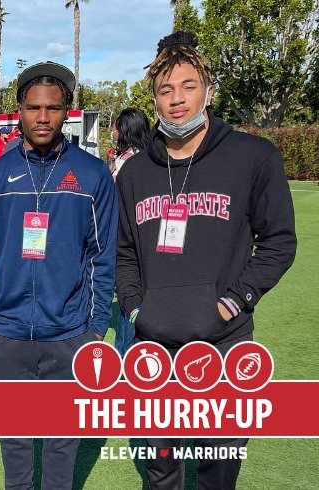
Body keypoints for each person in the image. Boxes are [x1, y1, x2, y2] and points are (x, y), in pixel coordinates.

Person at [116, 31, 297, 489]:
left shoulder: (252, 156)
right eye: (166, 90)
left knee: (219, 464)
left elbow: (278, 242)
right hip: (153, 345)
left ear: (208, 90)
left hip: (225, 340)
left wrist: (230, 302)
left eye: (188, 86)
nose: (177, 100)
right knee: (161, 467)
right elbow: (122, 252)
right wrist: (137, 308)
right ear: (154, 98)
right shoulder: (136, 172)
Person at [0, 61, 117, 489]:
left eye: (52, 108)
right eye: (34, 107)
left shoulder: (92, 175)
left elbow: (103, 257)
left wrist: (95, 331)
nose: (43, 117)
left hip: (69, 334)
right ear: (20, 109)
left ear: (67, 109)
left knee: (61, 443)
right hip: (6, 334)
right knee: (14, 443)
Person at [108, 108, 150, 356]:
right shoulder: (145, 157)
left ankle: (126, 357)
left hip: (124, 238)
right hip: (132, 239)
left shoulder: (129, 161)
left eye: (116, 127)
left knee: (128, 295)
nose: (112, 132)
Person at [110, 108, 150, 179]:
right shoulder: (148, 153)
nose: (112, 130)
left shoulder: (125, 160)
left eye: (113, 127)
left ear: (123, 130)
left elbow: (114, 185)